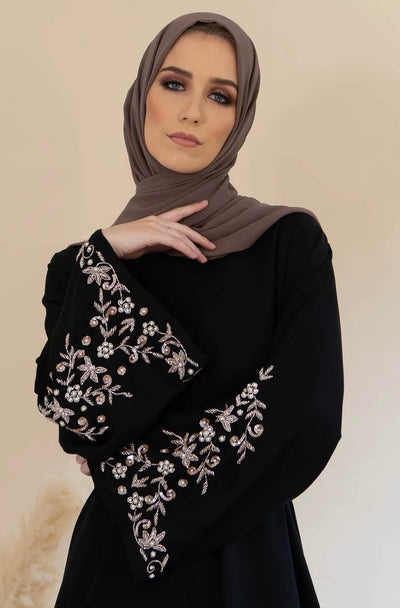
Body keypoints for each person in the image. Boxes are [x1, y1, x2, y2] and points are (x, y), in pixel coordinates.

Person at [34, 11, 344, 608]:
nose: (193, 112)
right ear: (141, 96)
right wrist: (106, 254)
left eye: (220, 96)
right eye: (174, 84)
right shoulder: (82, 268)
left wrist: (138, 487)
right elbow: (80, 421)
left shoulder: (287, 243)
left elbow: (307, 413)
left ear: (240, 118)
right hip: (114, 568)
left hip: (244, 563)